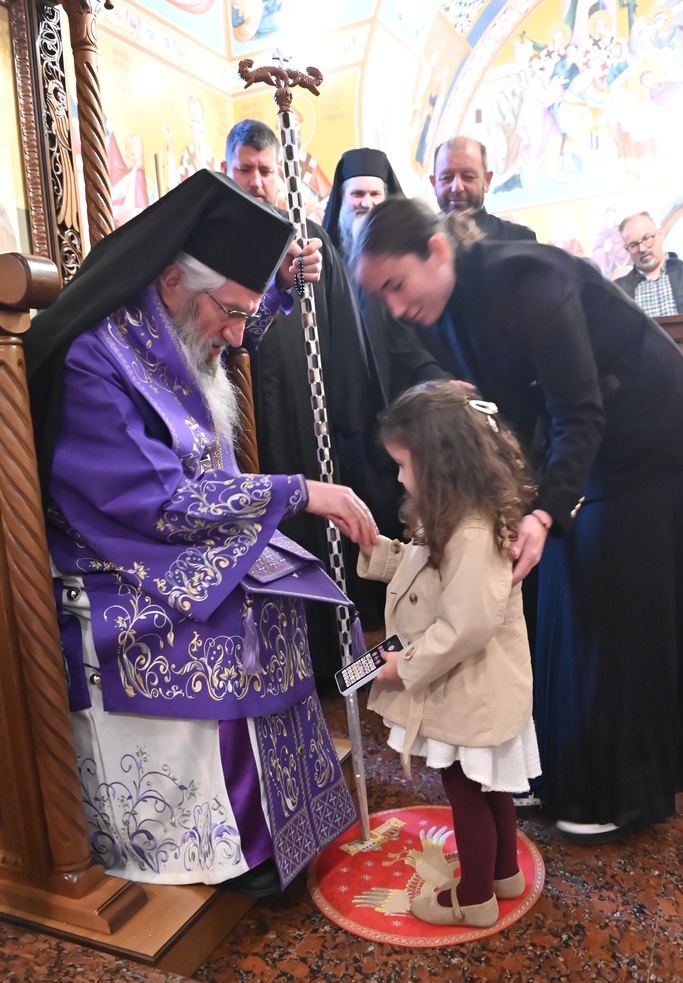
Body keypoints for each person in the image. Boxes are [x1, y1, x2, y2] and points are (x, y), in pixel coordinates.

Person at [23, 171, 380, 898]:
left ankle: (279, 825)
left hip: (173, 543)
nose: (240, 335)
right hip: (108, 562)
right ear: (171, 281)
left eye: (248, 312)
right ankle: (228, 847)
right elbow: (154, 500)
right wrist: (297, 492)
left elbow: (214, 348)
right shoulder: (97, 358)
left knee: (281, 583)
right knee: (231, 616)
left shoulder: (177, 323)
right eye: (233, 312)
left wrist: (273, 298)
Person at [352, 195, 683, 843]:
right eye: (380, 295)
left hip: (645, 434)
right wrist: (519, 502)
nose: (393, 307)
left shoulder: (527, 282)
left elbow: (577, 411)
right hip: (578, 440)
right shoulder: (438, 312)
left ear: (436, 252)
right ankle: (559, 771)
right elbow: (514, 410)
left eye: (395, 284)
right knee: (556, 597)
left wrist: (543, 512)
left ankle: (621, 791)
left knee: (609, 598)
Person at [357, 382, 540, 927]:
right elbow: (426, 573)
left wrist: (404, 664)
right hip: (476, 685)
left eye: (403, 465)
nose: (398, 478)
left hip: (470, 686)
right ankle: (503, 872)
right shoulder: (460, 516)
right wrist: (374, 550)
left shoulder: (472, 531)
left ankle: (474, 897)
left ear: (439, 463)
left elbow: (466, 625)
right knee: (486, 784)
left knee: (464, 787)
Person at [223, 119, 386, 657]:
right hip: (244, 419)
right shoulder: (213, 239)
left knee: (319, 531)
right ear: (226, 168)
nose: (256, 181)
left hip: (307, 416)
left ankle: (331, 654)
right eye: (245, 169)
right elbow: (235, 330)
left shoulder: (308, 237)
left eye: (266, 170)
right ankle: (283, 659)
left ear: (281, 174)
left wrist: (347, 418)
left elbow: (339, 326)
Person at [323, 147, 450, 401]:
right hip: (342, 395)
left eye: (374, 194)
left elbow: (409, 339)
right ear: (342, 196)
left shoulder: (408, 257)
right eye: (357, 194)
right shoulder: (324, 257)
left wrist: (436, 380)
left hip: (398, 391)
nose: (366, 203)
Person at [430, 136, 537, 241]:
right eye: (446, 178)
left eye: (468, 176)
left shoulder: (518, 239)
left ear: (487, 181)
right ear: (434, 183)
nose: (457, 187)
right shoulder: (421, 240)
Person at [615, 211, 683, 314]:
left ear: (660, 234)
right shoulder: (618, 292)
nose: (642, 249)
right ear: (626, 248)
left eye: (646, 238)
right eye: (633, 245)